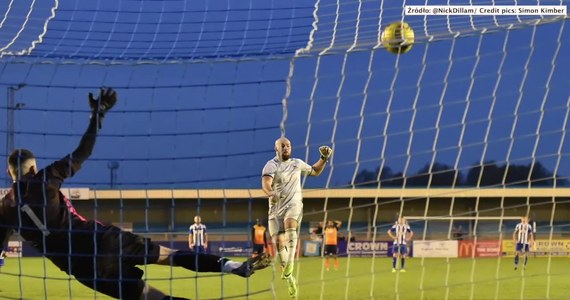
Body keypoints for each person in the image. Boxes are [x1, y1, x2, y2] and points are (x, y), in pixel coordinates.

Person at [0, 88, 271, 300]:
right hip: (101, 240)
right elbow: (82, 151)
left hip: (83, 268)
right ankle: (232, 266)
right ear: (32, 167)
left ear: (10, 172)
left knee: (153, 298)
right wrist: (97, 116)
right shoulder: (45, 178)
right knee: (170, 256)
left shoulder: (4, 209)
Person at [261, 137, 332, 298]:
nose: (286, 148)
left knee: (290, 224)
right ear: (276, 149)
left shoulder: (297, 163)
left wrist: (324, 159)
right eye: (282, 146)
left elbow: (314, 171)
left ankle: (291, 262)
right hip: (275, 209)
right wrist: (271, 192)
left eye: (288, 145)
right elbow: (266, 182)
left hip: (293, 205)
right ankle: (290, 279)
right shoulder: (271, 165)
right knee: (279, 244)